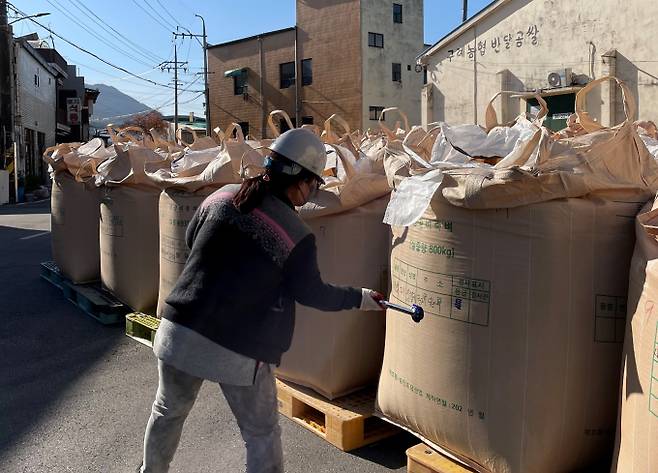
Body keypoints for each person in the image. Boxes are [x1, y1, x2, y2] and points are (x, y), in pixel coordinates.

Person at [139, 128, 386, 473]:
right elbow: (313, 293)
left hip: (178, 329)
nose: (312, 192)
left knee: (167, 412)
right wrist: (361, 298)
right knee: (261, 434)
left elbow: (191, 238)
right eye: (314, 183)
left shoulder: (220, 197)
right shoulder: (296, 234)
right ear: (299, 181)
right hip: (239, 349)